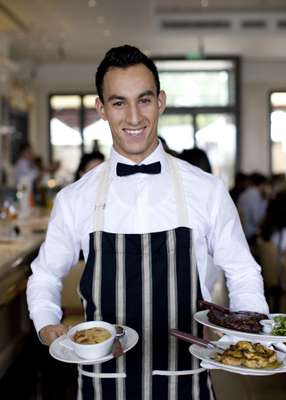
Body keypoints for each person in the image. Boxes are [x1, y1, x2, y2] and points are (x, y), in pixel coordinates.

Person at [27, 45, 268, 400]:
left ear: (161, 102)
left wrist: (243, 339)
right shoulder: (74, 198)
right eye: (119, 102)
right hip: (102, 386)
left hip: (187, 382)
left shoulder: (207, 190)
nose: (134, 117)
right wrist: (48, 327)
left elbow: (243, 273)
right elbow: (45, 276)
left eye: (144, 100)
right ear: (102, 109)